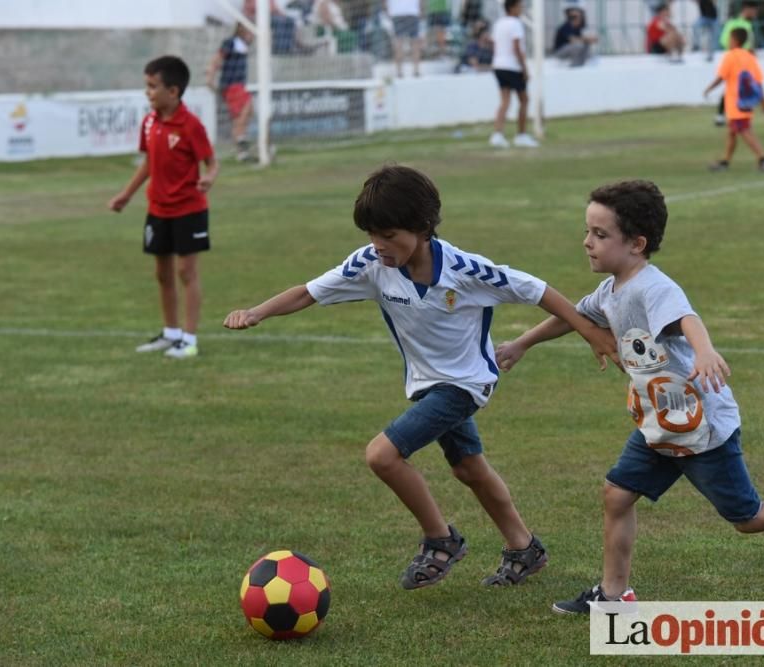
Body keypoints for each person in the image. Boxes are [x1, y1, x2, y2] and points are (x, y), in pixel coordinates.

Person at [493, 179, 764, 614]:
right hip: (662, 424)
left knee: (748, 517)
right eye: (587, 231)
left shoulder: (653, 288)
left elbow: (686, 317)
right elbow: (574, 317)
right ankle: (614, 596)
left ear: (637, 243)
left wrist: (706, 350)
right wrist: (523, 343)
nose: (587, 243)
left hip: (700, 426)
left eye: (600, 235)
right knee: (617, 494)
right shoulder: (613, 289)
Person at [223, 164, 620, 590]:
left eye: (390, 235)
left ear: (422, 227)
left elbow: (537, 290)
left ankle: (441, 540)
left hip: (466, 384)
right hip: (426, 384)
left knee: (383, 455)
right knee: (469, 468)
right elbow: (308, 291)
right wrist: (258, 311)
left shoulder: (466, 270)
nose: (379, 245)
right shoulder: (371, 263)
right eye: (373, 234)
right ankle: (524, 548)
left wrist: (592, 333)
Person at [108, 56, 218, 359]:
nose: (148, 92)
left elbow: (211, 161)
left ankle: (190, 339)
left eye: (152, 86)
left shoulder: (190, 125)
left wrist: (208, 178)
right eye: (147, 86)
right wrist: (126, 195)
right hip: (157, 209)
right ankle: (170, 334)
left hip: (189, 209)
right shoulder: (149, 122)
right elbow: (148, 164)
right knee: (162, 273)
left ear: (173, 91)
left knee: (186, 271)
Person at [704, 27, 764, 173]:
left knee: (744, 130)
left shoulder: (730, 56)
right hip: (746, 100)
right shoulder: (750, 56)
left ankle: (763, 158)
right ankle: (725, 162)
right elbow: (758, 82)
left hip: (735, 103)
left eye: (730, 39)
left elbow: (721, 77)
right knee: (732, 132)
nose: (728, 42)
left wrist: (709, 88)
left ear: (735, 40)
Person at [490, 0, 538, 148]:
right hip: (512, 66)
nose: (521, 9)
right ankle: (521, 135)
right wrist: (524, 68)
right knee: (524, 100)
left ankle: (498, 134)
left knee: (505, 101)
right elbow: (517, 48)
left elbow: (495, 44)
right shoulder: (515, 24)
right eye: (519, 6)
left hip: (498, 65)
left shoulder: (499, 23)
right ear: (512, 8)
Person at [207, 23, 255, 162]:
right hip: (231, 85)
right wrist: (210, 76)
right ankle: (241, 141)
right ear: (242, 30)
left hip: (237, 86)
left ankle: (242, 153)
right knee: (247, 109)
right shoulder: (230, 42)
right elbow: (217, 58)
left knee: (241, 117)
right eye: (249, 31)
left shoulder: (242, 45)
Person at [713, 1, 758, 125]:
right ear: (746, 9)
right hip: (736, 60)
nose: (755, 13)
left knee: (739, 88)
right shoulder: (733, 24)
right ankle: (724, 115)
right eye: (753, 10)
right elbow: (724, 41)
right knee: (734, 88)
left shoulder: (747, 25)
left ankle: (725, 115)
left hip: (744, 60)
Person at [387, 0, 423, 77]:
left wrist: (388, 10)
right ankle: (416, 70)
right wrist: (420, 9)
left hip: (397, 12)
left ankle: (399, 72)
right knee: (414, 42)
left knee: (398, 42)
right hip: (412, 11)